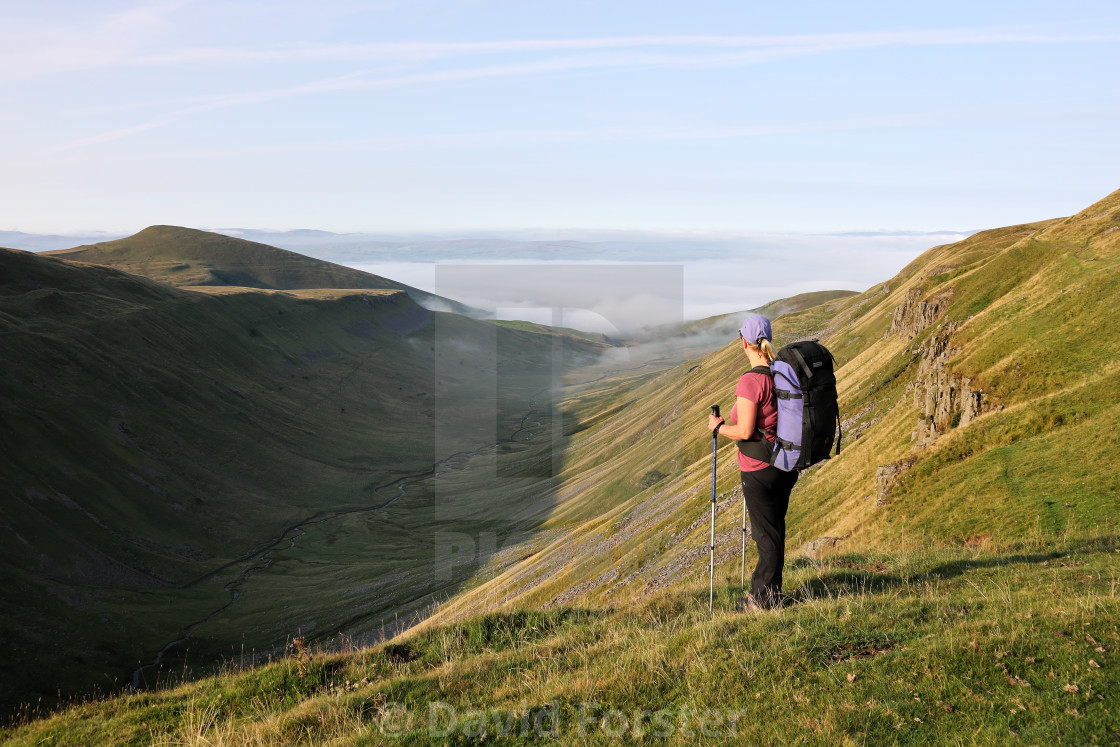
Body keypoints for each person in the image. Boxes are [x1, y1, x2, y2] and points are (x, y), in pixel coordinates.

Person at [707, 315, 798, 610]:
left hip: (759, 469)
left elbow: (745, 431)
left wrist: (718, 428)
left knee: (765, 535)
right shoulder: (781, 375)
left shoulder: (750, 381)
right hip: (784, 464)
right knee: (774, 529)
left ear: (744, 342)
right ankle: (768, 593)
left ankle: (763, 601)